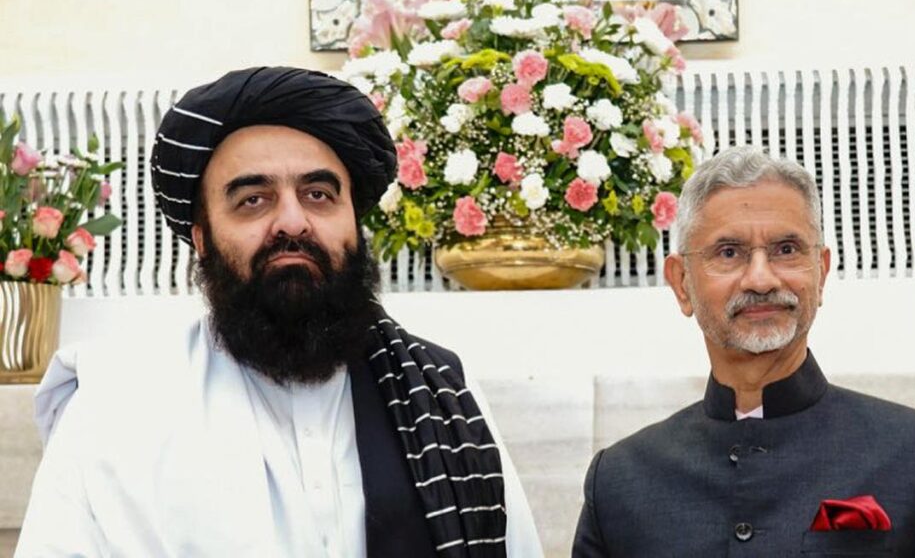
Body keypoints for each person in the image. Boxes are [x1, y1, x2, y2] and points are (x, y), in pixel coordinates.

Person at [17, 67, 542, 558]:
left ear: (354, 225)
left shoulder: (442, 392)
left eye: (318, 194)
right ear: (202, 239)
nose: (292, 221)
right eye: (253, 199)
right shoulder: (117, 407)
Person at [572, 146, 915, 557]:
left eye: (786, 250)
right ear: (682, 283)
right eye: (729, 253)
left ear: (821, 273)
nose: (761, 279)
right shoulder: (619, 481)